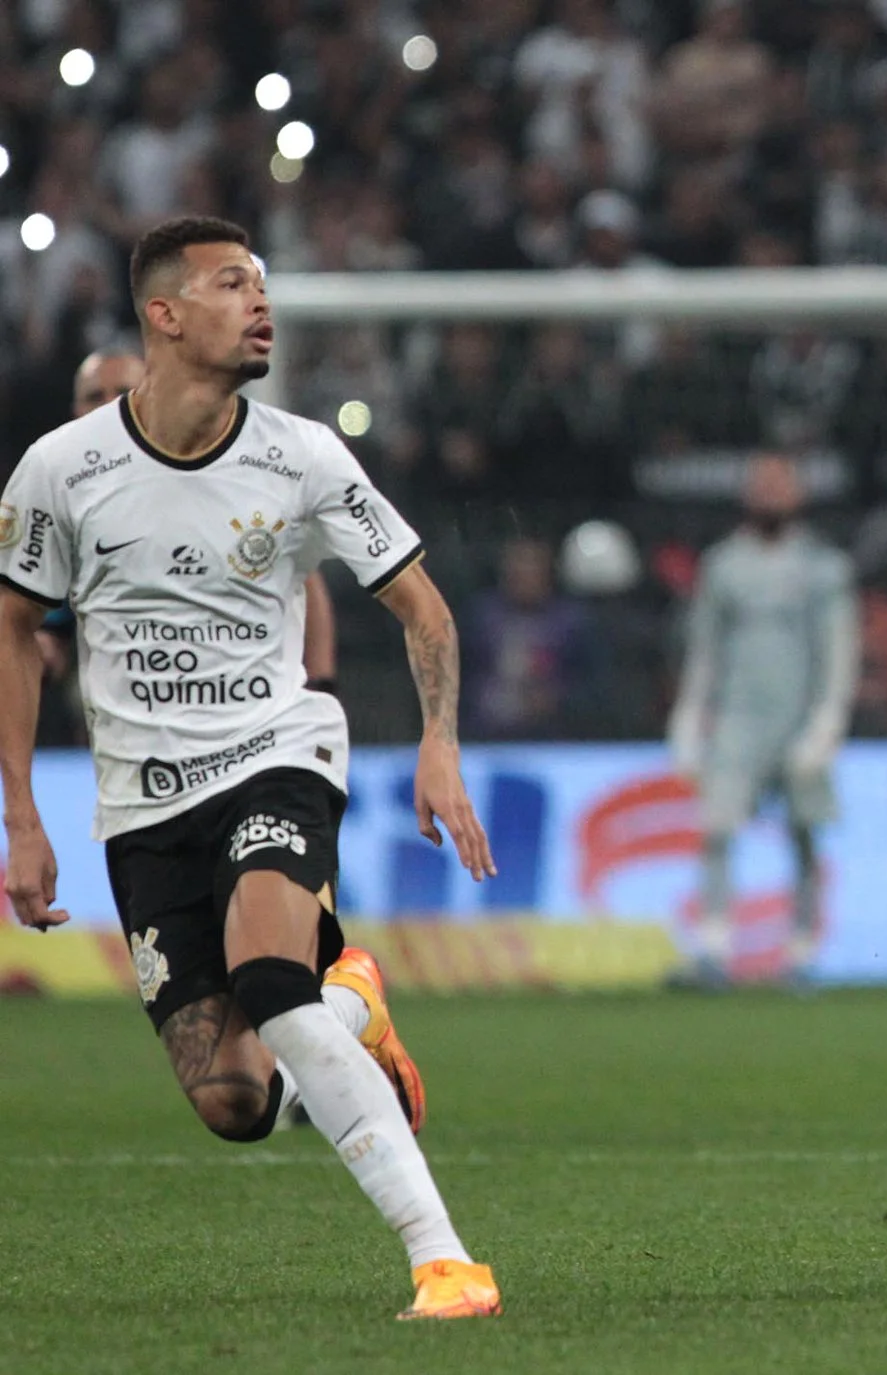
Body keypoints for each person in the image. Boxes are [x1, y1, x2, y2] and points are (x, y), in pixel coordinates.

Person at [0, 217, 502, 1320]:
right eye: (234, 285)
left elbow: (419, 602)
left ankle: (442, 1256)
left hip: (276, 752)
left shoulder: (303, 454)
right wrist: (24, 817)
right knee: (232, 1098)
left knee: (269, 984)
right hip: (141, 799)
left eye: (262, 285)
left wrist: (438, 740)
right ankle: (351, 1005)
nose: (262, 303)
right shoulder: (60, 471)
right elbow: (12, 628)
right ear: (165, 316)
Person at [44, 349, 341, 732]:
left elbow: (302, 577)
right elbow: (47, 621)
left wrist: (321, 685)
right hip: (133, 708)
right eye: (93, 397)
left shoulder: (211, 472)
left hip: (237, 697)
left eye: (122, 392)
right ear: (74, 411)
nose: (107, 407)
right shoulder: (61, 496)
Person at [665, 456, 857, 984]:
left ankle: (801, 951)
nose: (771, 495)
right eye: (762, 485)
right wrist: (689, 717)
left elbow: (838, 651)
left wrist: (828, 723)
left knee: (804, 834)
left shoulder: (823, 566)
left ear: (799, 495)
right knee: (717, 828)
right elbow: (704, 649)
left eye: (781, 485)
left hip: (798, 718)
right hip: (737, 718)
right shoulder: (723, 565)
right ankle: (713, 947)